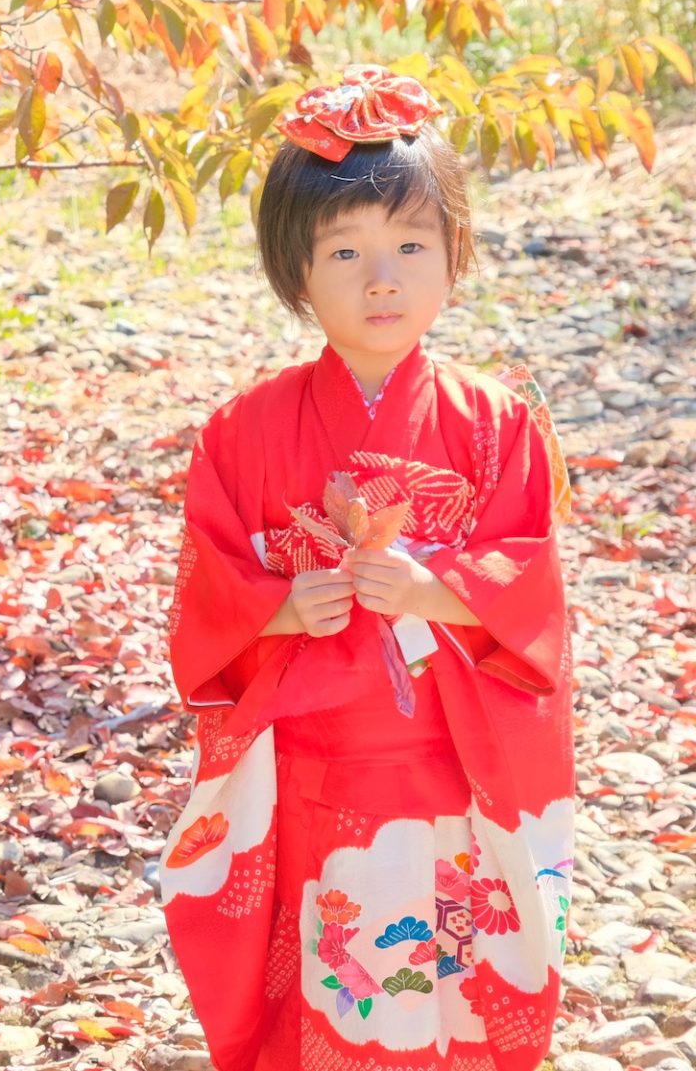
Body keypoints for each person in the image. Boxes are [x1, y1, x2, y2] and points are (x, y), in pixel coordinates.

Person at [158, 66, 572, 1070]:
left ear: (453, 258)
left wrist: (440, 592)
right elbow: (207, 598)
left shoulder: (498, 423)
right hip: (307, 774)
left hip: (446, 773)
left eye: (410, 246)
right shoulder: (242, 431)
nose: (381, 278)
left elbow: (534, 587)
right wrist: (280, 609)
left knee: (443, 990)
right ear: (296, 269)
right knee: (326, 986)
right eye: (344, 250)